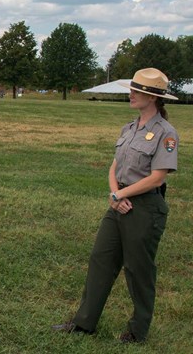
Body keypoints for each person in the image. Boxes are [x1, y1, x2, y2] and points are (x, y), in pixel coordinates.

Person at [52, 68, 179, 343]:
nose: (131, 94)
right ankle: (84, 323)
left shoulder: (165, 134)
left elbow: (157, 178)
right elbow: (115, 166)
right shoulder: (129, 128)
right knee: (101, 261)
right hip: (119, 202)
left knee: (138, 271)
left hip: (144, 208)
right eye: (132, 89)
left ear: (153, 98)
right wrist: (115, 194)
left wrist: (122, 196)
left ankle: (137, 332)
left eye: (138, 91)